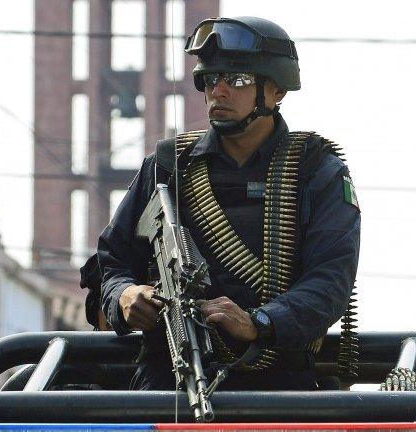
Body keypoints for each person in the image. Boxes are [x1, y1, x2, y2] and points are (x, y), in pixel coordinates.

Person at [97, 16, 360, 391]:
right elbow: (111, 260)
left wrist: (260, 322)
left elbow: (330, 281)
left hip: (279, 388)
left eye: (236, 80)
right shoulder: (169, 164)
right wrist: (124, 294)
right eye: (209, 79)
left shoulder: (316, 170)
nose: (218, 92)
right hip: (167, 382)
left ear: (276, 91)